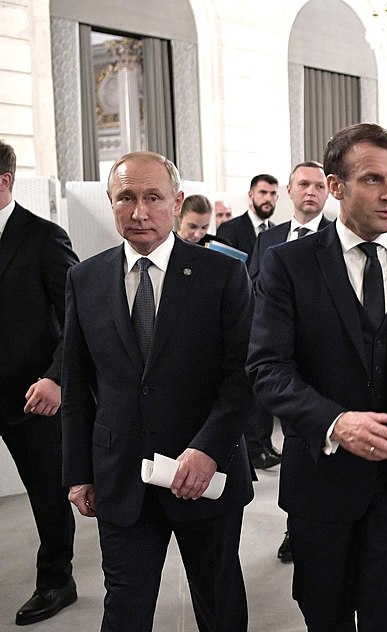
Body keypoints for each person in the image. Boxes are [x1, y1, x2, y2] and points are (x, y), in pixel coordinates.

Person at [246, 123, 387, 630]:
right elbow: (267, 367)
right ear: (336, 186)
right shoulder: (288, 263)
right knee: (326, 616)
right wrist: (335, 422)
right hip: (322, 480)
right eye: (373, 180)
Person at [62, 151, 255, 631]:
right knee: (124, 608)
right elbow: (77, 382)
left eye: (153, 197)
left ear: (177, 201)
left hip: (205, 475)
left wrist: (208, 451)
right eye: (126, 197)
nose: (139, 211)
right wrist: (78, 472)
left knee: (218, 601)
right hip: (121, 475)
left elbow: (243, 377)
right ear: (111, 201)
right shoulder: (84, 279)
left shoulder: (222, 274)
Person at [0, 139, 79, 625]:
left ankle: (57, 580)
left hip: (31, 396)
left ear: (4, 182)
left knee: (48, 494)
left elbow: (77, 319)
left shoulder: (43, 237)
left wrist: (55, 379)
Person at [246, 160, 331, 560]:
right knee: (295, 452)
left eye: (318, 185)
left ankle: (320, 526)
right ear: (290, 192)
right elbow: (255, 287)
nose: (311, 191)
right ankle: (294, 527)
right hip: (280, 357)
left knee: (324, 443)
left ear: (328, 192)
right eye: (303, 184)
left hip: (322, 358)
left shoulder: (336, 237)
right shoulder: (270, 240)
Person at [217, 174, 279, 257]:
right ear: (250, 195)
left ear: (277, 197)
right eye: (263, 192)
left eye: (273, 193)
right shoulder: (229, 229)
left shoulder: (277, 231)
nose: (268, 198)